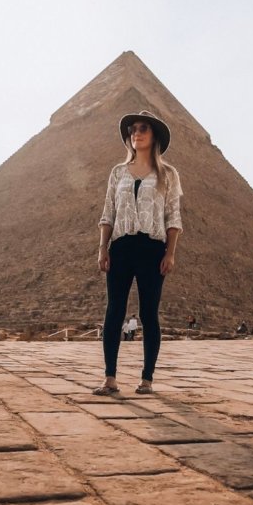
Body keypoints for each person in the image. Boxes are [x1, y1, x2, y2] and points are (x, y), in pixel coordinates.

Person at [95, 110, 182, 395]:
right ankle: (110, 378)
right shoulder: (117, 172)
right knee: (114, 312)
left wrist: (170, 253)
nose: (137, 133)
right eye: (132, 129)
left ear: (154, 135)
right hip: (120, 246)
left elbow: (173, 217)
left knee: (149, 313)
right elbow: (108, 212)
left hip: (152, 248)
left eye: (143, 128)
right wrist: (103, 248)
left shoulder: (167, 175)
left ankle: (147, 379)